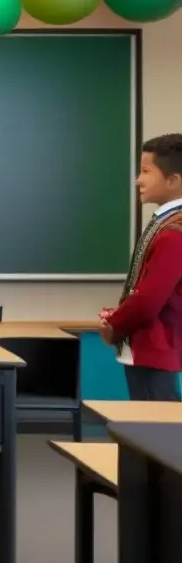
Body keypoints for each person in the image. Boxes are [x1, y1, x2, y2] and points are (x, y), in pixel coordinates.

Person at [100, 133, 182, 402]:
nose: (138, 180)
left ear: (173, 180)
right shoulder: (167, 223)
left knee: (157, 433)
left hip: (156, 349)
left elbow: (149, 300)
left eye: (146, 171)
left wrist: (116, 324)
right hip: (154, 347)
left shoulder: (174, 232)